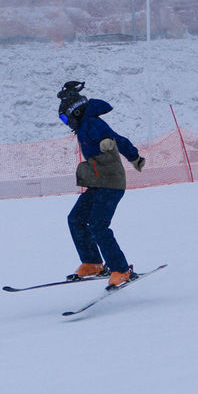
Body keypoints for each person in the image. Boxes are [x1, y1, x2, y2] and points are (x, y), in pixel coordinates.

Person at [57, 80, 146, 288]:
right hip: (98, 183)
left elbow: (108, 135)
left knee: (98, 225)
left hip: (111, 183)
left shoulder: (91, 123)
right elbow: (121, 139)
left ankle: (121, 269)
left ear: (75, 112)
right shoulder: (83, 127)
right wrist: (134, 157)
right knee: (76, 219)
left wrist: (106, 141)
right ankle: (92, 263)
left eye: (64, 118)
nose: (65, 122)